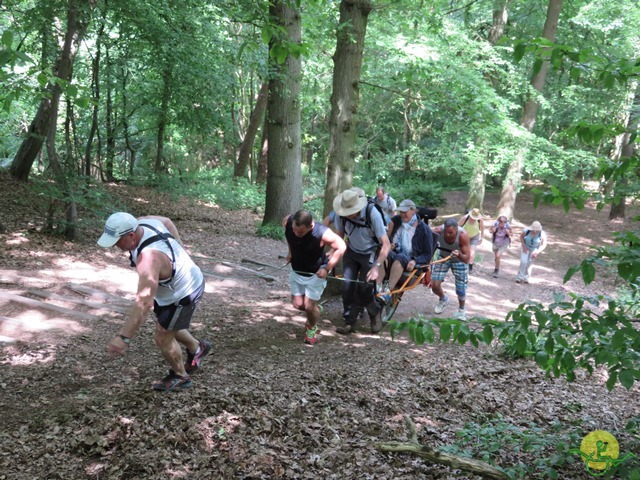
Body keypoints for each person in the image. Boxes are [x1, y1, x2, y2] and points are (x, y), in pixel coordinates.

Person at [98, 212, 211, 392]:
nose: (115, 246)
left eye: (117, 241)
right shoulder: (144, 222)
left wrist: (123, 337)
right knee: (166, 324)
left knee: (162, 336)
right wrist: (180, 249)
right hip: (170, 291)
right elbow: (167, 221)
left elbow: (143, 302)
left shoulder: (149, 258)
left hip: (183, 293)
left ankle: (181, 376)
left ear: (131, 236)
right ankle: (197, 347)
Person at [283, 210, 346, 345]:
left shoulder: (322, 232)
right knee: (298, 305)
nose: (296, 233)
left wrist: (327, 268)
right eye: (294, 229)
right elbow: (289, 236)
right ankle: (314, 310)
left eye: (300, 232)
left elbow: (341, 246)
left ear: (310, 226)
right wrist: (290, 252)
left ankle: (312, 327)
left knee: (309, 306)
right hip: (297, 270)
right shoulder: (288, 222)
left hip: (316, 274)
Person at [333, 188, 391, 334]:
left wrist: (377, 266)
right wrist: (333, 254)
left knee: (364, 288)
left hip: (370, 253)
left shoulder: (373, 214)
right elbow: (339, 237)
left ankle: (375, 313)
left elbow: (386, 244)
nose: (347, 215)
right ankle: (349, 321)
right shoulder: (341, 214)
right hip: (351, 251)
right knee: (347, 287)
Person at [378, 199, 434, 300]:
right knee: (384, 252)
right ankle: (376, 287)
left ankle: (388, 291)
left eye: (405, 212)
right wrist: (389, 244)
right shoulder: (396, 220)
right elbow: (388, 234)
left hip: (409, 258)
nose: (402, 215)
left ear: (413, 211)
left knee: (400, 257)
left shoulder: (424, 229)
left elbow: (427, 255)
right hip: (394, 254)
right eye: (401, 212)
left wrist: (415, 260)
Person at [430, 218, 471, 320]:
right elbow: (430, 245)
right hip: (443, 256)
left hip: (459, 260)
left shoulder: (463, 236)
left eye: (451, 232)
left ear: (457, 229)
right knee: (434, 285)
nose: (448, 235)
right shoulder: (438, 231)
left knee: (460, 289)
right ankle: (443, 299)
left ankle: (461, 311)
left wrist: (458, 255)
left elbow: (466, 259)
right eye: (447, 232)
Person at [459, 208, 484, 273]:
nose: (473, 219)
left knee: (472, 253)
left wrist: (481, 237)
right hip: (464, 236)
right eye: (473, 217)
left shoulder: (479, 219)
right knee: (463, 251)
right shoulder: (465, 218)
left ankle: (470, 268)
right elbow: (458, 226)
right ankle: (461, 265)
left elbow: (482, 228)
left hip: (474, 236)